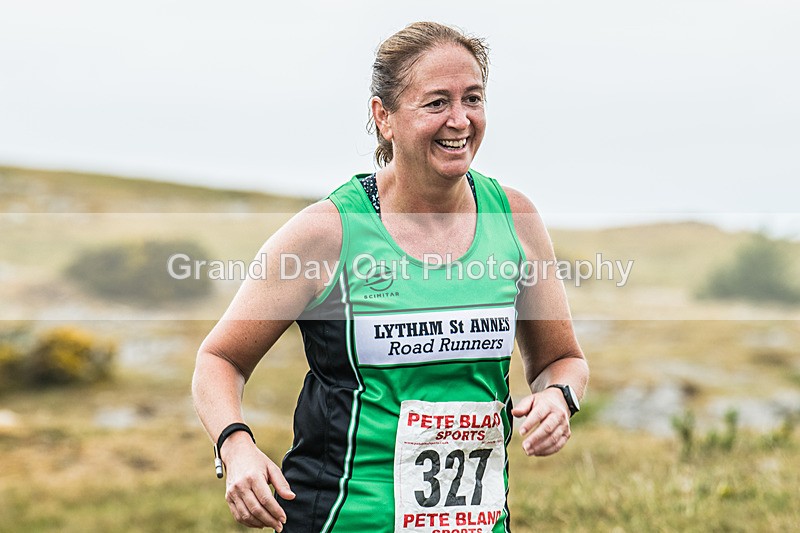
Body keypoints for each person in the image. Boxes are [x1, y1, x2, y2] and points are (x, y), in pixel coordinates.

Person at [192, 21, 588, 533]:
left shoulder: (514, 218)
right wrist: (235, 445)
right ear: (384, 117)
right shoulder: (328, 232)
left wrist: (558, 397)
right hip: (342, 520)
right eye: (436, 102)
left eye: (472, 98)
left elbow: (562, 361)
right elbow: (219, 359)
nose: (460, 120)